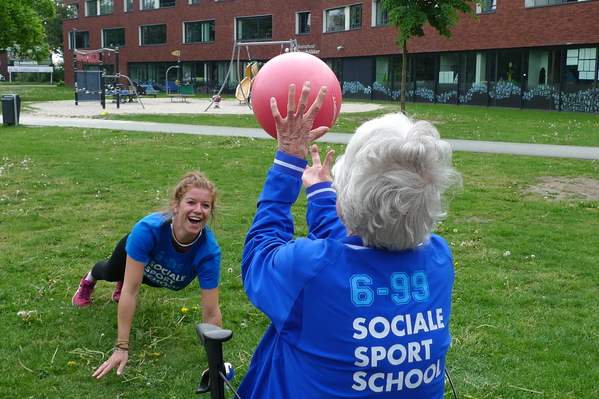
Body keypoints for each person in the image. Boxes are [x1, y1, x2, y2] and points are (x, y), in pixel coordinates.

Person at [239, 82, 461, 398]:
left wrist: (289, 161)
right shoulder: (439, 260)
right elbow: (357, 247)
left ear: (345, 205)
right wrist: (320, 193)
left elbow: (260, 252)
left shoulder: (307, 271)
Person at [71, 172, 222, 378]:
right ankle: (89, 280)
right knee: (111, 272)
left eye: (205, 205)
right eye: (191, 202)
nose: (198, 210)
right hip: (136, 256)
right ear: (176, 206)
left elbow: (211, 313)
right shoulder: (148, 230)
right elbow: (132, 291)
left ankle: (125, 278)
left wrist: (216, 365)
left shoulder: (209, 253)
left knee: (138, 279)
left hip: (157, 275)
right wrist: (121, 347)